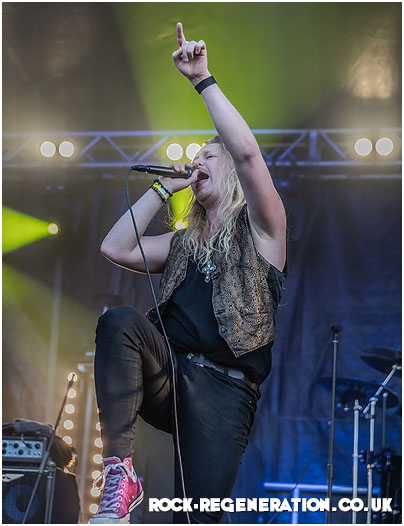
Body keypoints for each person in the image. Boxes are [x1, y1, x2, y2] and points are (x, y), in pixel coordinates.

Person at [90, 22, 287, 524]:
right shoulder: (183, 242)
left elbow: (247, 153)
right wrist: (162, 189)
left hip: (225, 391)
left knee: (195, 518)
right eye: (194, 156)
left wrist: (202, 80)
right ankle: (119, 472)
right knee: (120, 322)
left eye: (208, 155)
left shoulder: (264, 228)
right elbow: (115, 247)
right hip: (172, 374)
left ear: (231, 172)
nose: (197, 162)